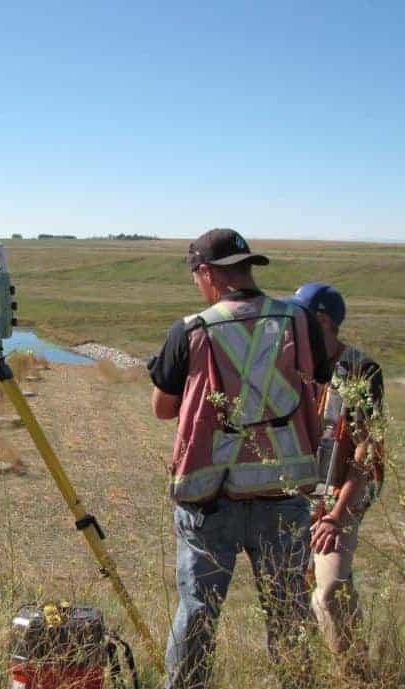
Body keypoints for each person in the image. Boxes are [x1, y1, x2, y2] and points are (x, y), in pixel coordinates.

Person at [148, 228, 332, 689]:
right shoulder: (300, 321)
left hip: (211, 497)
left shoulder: (191, 329)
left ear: (206, 273)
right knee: (288, 610)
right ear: (249, 268)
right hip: (283, 494)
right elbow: (321, 379)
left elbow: (162, 409)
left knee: (197, 615)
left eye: (196, 275)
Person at [289, 282, 384, 679]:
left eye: (300, 318)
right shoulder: (293, 365)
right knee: (298, 594)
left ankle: (357, 676)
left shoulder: (361, 369)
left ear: (322, 321)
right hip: (299, 493)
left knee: (328, 592)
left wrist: (337, 514)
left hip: (344, 492)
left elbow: (368, 450)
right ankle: (309, 673)